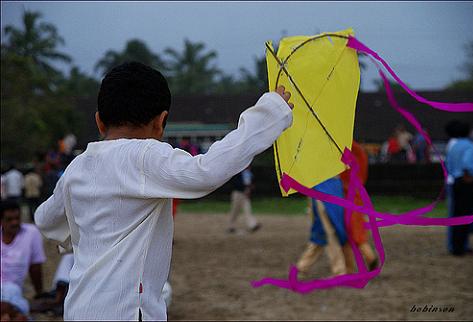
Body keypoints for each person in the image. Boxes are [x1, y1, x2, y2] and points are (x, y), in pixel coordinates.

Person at [34, 61, 293, 321]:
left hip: (79, 308)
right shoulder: (145, 156)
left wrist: (80, 236)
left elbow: (45, 220)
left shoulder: (78, 167)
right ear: (161, 122)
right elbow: (207, 171)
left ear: (99, 122)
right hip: (126, 312)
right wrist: (271, 112)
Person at [296, 176, 354, 278]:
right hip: (326, 189)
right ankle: (303, 267)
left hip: (325, 189)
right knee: (326, 231)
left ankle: (339, 271)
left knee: (328, 232)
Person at [339, 141, 378, 271]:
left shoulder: (346, 155)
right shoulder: (361, 155)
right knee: (355, 232)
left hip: (348, 198)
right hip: (357, 197)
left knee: (351, 235)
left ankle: (369, 258)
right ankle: (364, 260)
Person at [444, 120, 473, 256]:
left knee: (456, 215)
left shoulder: (453, 145)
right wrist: (470, 179)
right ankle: (462, 246)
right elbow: (468, 164)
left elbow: (448, 164)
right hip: (465, 182)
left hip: (454, 181)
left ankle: (455, 245)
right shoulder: (469, 145)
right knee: (466, 215)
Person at [1, 200, 46, 298]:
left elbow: (35, 267)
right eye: (9, 219)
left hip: (13, 292)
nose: (15, 222)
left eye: (17, 218)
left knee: (11, 291)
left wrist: (39, 293)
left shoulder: (31, 233)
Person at [227, 166, 261, 234]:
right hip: (238, 193)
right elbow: (235, 183)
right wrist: (245, 188)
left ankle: (252, 225)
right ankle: (231, 226)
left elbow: (251, 182)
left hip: (245, 194)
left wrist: (250, 188)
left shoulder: (249, 173)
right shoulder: (238, 173)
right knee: (235, 211)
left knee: (247, 210)